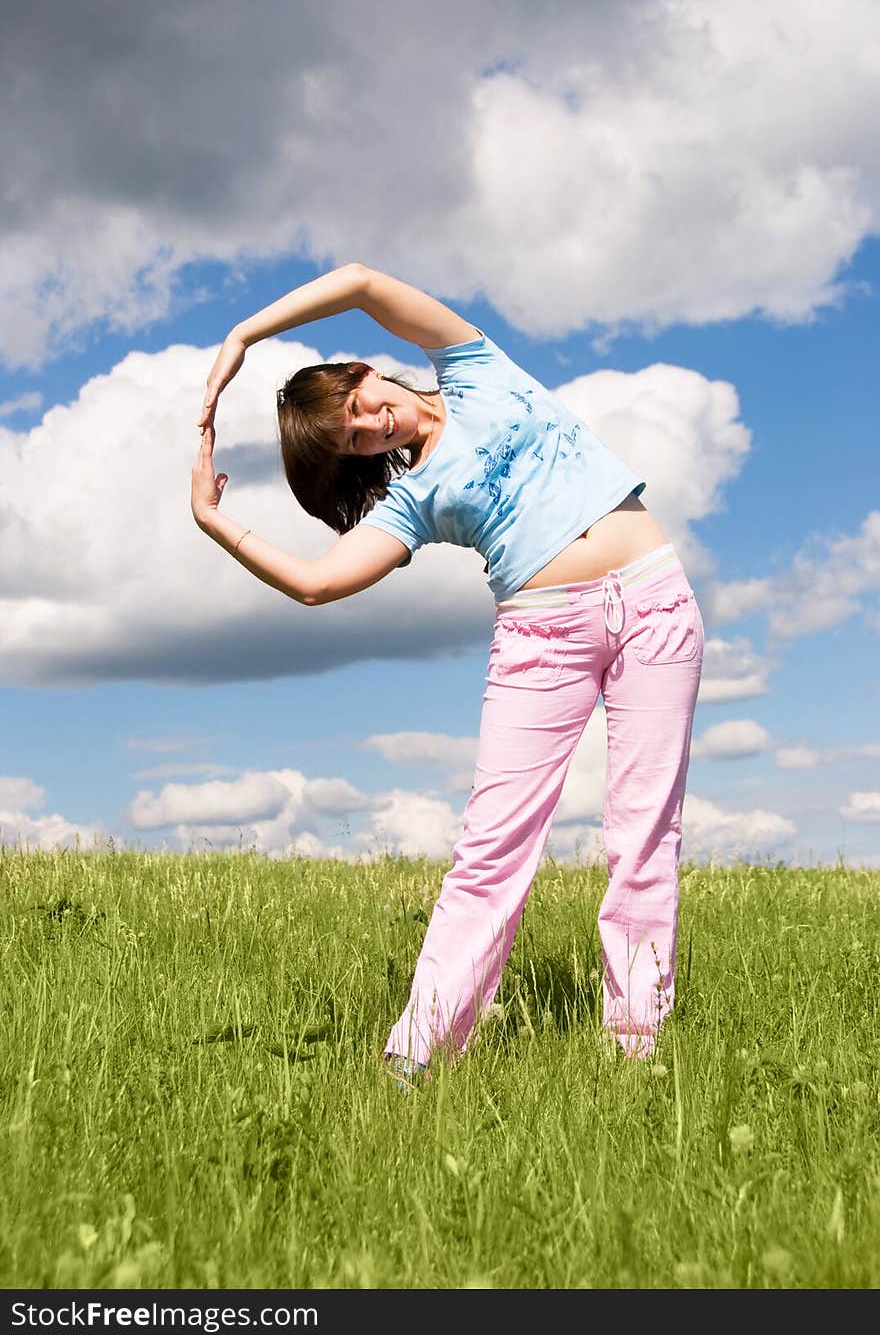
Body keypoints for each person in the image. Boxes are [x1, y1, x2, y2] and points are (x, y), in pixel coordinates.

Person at [192, 263, 704, 1083]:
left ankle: (636, 1050)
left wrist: (244, 335)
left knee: (645, 833)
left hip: (656, 602)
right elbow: (318, 583)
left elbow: (360, 280)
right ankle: (418, 1055)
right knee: (493, 849)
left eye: (356, 409)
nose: (371, 427)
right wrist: (214, 521)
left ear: (361, 374)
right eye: (355, 440)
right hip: (544, 637)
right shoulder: (412, 500)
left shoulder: (472, 366)